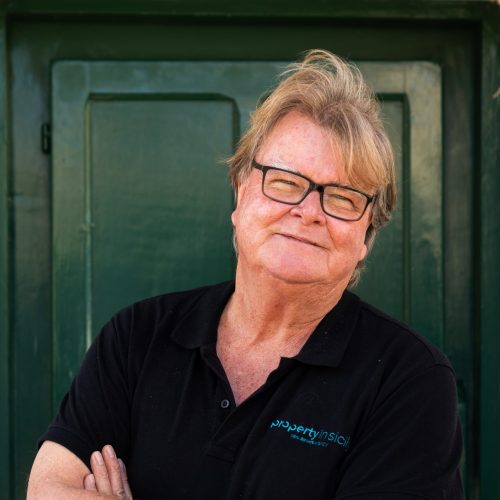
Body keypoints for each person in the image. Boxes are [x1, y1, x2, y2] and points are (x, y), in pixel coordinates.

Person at [27, 49, 463, 499]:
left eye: (342, 197)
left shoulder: (409, 380)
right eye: (285, 182)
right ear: (240, 192)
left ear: (366, 235)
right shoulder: (137, 338)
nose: (308, 211)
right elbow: (49, 488)